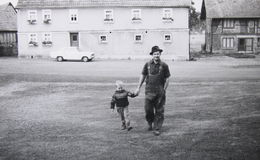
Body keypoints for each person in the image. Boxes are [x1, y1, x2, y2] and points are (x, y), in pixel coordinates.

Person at [135, 46, 170, 136]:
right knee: (148, 110)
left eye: (158, 54)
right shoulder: (147, 65)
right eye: (155, 54)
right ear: (152, 55)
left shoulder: (164, 65)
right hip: (149, 91)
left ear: (160, 54)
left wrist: (164, 90)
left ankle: (157, 128)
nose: (156, 55)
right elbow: (142, 76)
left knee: (159, 111)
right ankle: (150, 123)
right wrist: (138, 87)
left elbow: (167, 78)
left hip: (160, 92)